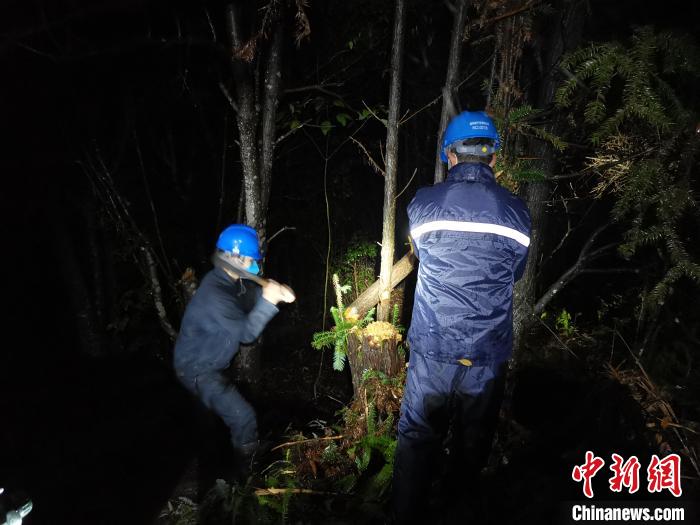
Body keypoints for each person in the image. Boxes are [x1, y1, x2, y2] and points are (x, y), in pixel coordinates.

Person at [392, 111, 531, 522]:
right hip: (487, 354)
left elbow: (418, 255)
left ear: (449, 156)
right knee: (472, 449)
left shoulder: (424, 204)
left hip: (434, 348)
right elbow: (516, 274)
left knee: (418, 439)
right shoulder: (517, 213)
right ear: (493, 158)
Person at [173, 224, 294, 479]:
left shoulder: (230, 281)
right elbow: (247, 335)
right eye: (249, 260)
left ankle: (221, 466)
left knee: (215, 423)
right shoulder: (215, 293)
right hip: (197, 370)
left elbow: (249, 297)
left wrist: (272, 292)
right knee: (243, 418)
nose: (253, 265)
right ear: (234, 257)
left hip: (209, 366)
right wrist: (270, 300)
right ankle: (245, 478)